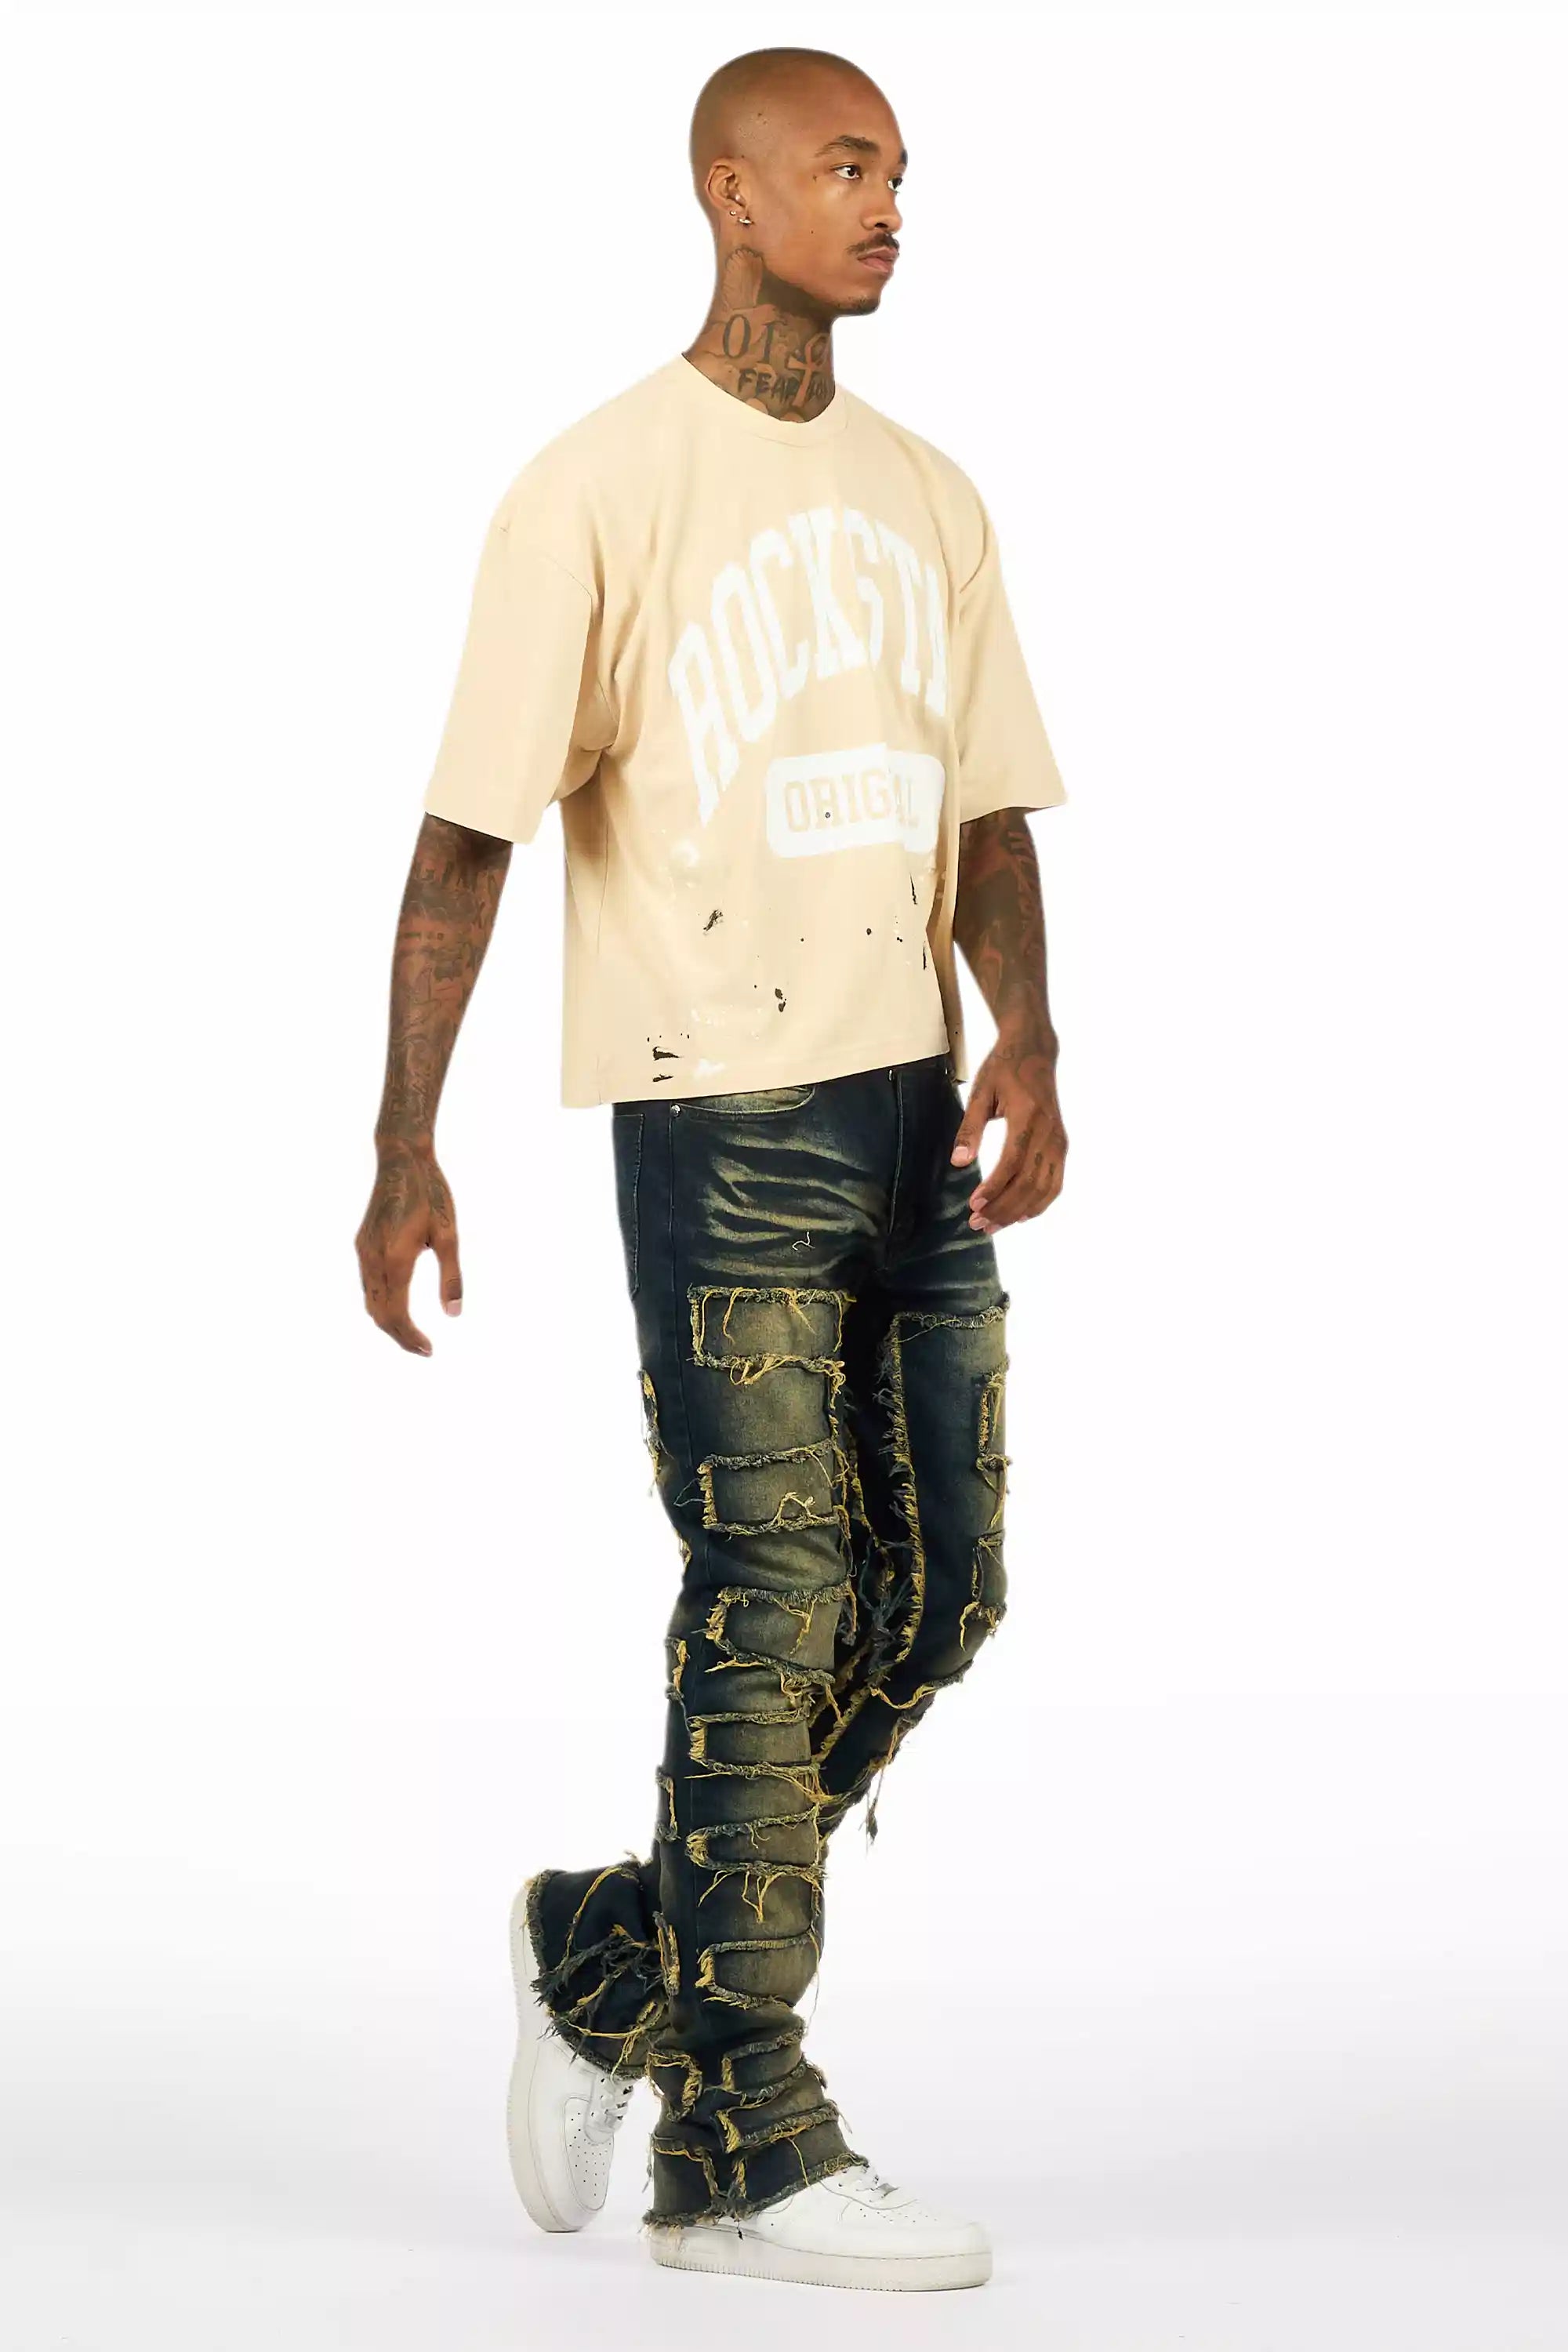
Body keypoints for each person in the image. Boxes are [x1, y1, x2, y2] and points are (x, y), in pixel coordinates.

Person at [354, 44, 1068, 2296]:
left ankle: (610, 1954)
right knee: (775, 1594)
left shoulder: (933, 495)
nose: (888, 206)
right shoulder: (594, 489)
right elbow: (469, 831)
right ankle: (743, 2136)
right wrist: (402, 1139)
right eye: (845, 169)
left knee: (939, 1588)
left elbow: (988, 808)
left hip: (914, 1113)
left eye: (899, 172)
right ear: (731, 196)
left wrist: (1032, 1034)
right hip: (722, 1115)